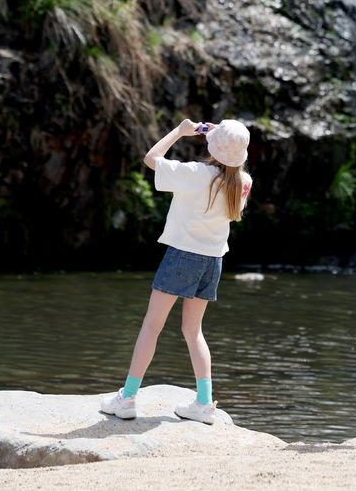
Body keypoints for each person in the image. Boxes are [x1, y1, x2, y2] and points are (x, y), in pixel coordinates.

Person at [100, 117, 252, 423]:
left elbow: (151, 159)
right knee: (193, 330)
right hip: (213, 261)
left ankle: (128, 398)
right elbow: (228, 161)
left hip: (183, 256)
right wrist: (217, 136)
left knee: (151, 326)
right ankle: (205, 404)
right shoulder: (244, 182)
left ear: (213, 146)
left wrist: (181, 132)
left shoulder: (195, 173)